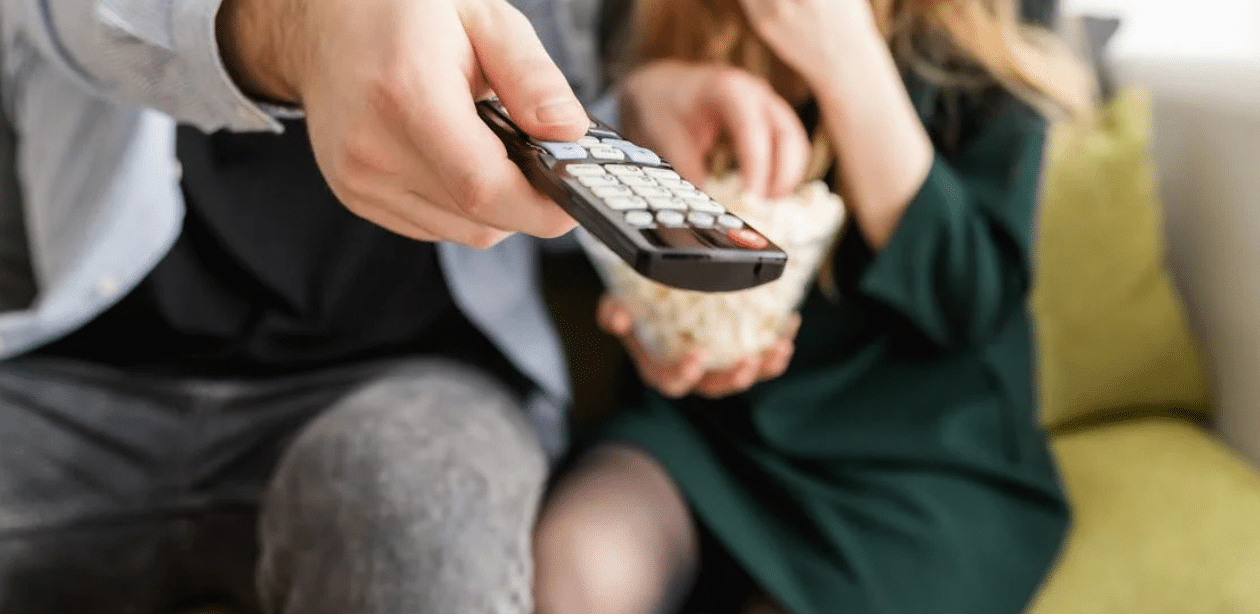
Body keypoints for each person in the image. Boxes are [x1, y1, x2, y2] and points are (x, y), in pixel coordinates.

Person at [0, 0, 619, 612]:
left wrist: (643, 98)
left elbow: (571, 116)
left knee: (417, 522)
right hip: (81, 369)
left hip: (417, 378)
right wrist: (302, 29)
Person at [533, 0, 1094, 613]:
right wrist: (657, 316)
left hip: (922, 463)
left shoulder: (978, 60)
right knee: (573, 571)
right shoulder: (655, 31)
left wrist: (848, 61)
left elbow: (967, 302)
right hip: (708, 434)